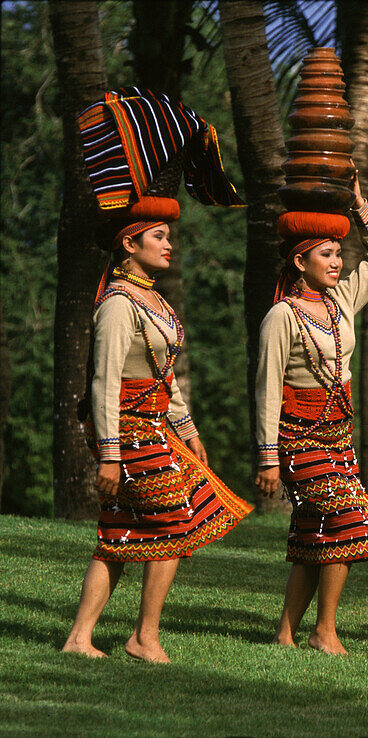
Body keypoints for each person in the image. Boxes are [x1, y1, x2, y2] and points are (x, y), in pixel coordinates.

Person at [62, 197, 253, 663]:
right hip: (125, 431)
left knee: (121, 531)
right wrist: (109, 453)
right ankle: (144, 637)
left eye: (168, 235)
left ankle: (79, 638)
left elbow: (164, 372)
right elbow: (104, 382)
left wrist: (187, 429)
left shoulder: (153, 298)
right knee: (172, 519)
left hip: (154, 426)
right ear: (130, 243)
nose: (169, 244)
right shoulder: (117, 305)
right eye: (159, 236)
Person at [254, 173, 368, 655]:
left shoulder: (340, 302)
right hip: (298, 438)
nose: (338, 262)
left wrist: (360, 206)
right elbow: (266, 387)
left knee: (314, 533)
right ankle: (325, 630)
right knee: (345, 523)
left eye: (339, 254)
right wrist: (267, 457)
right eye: (327, 254)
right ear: (301, 260)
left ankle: (285, 633)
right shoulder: (281, 315)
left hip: (339, 437)